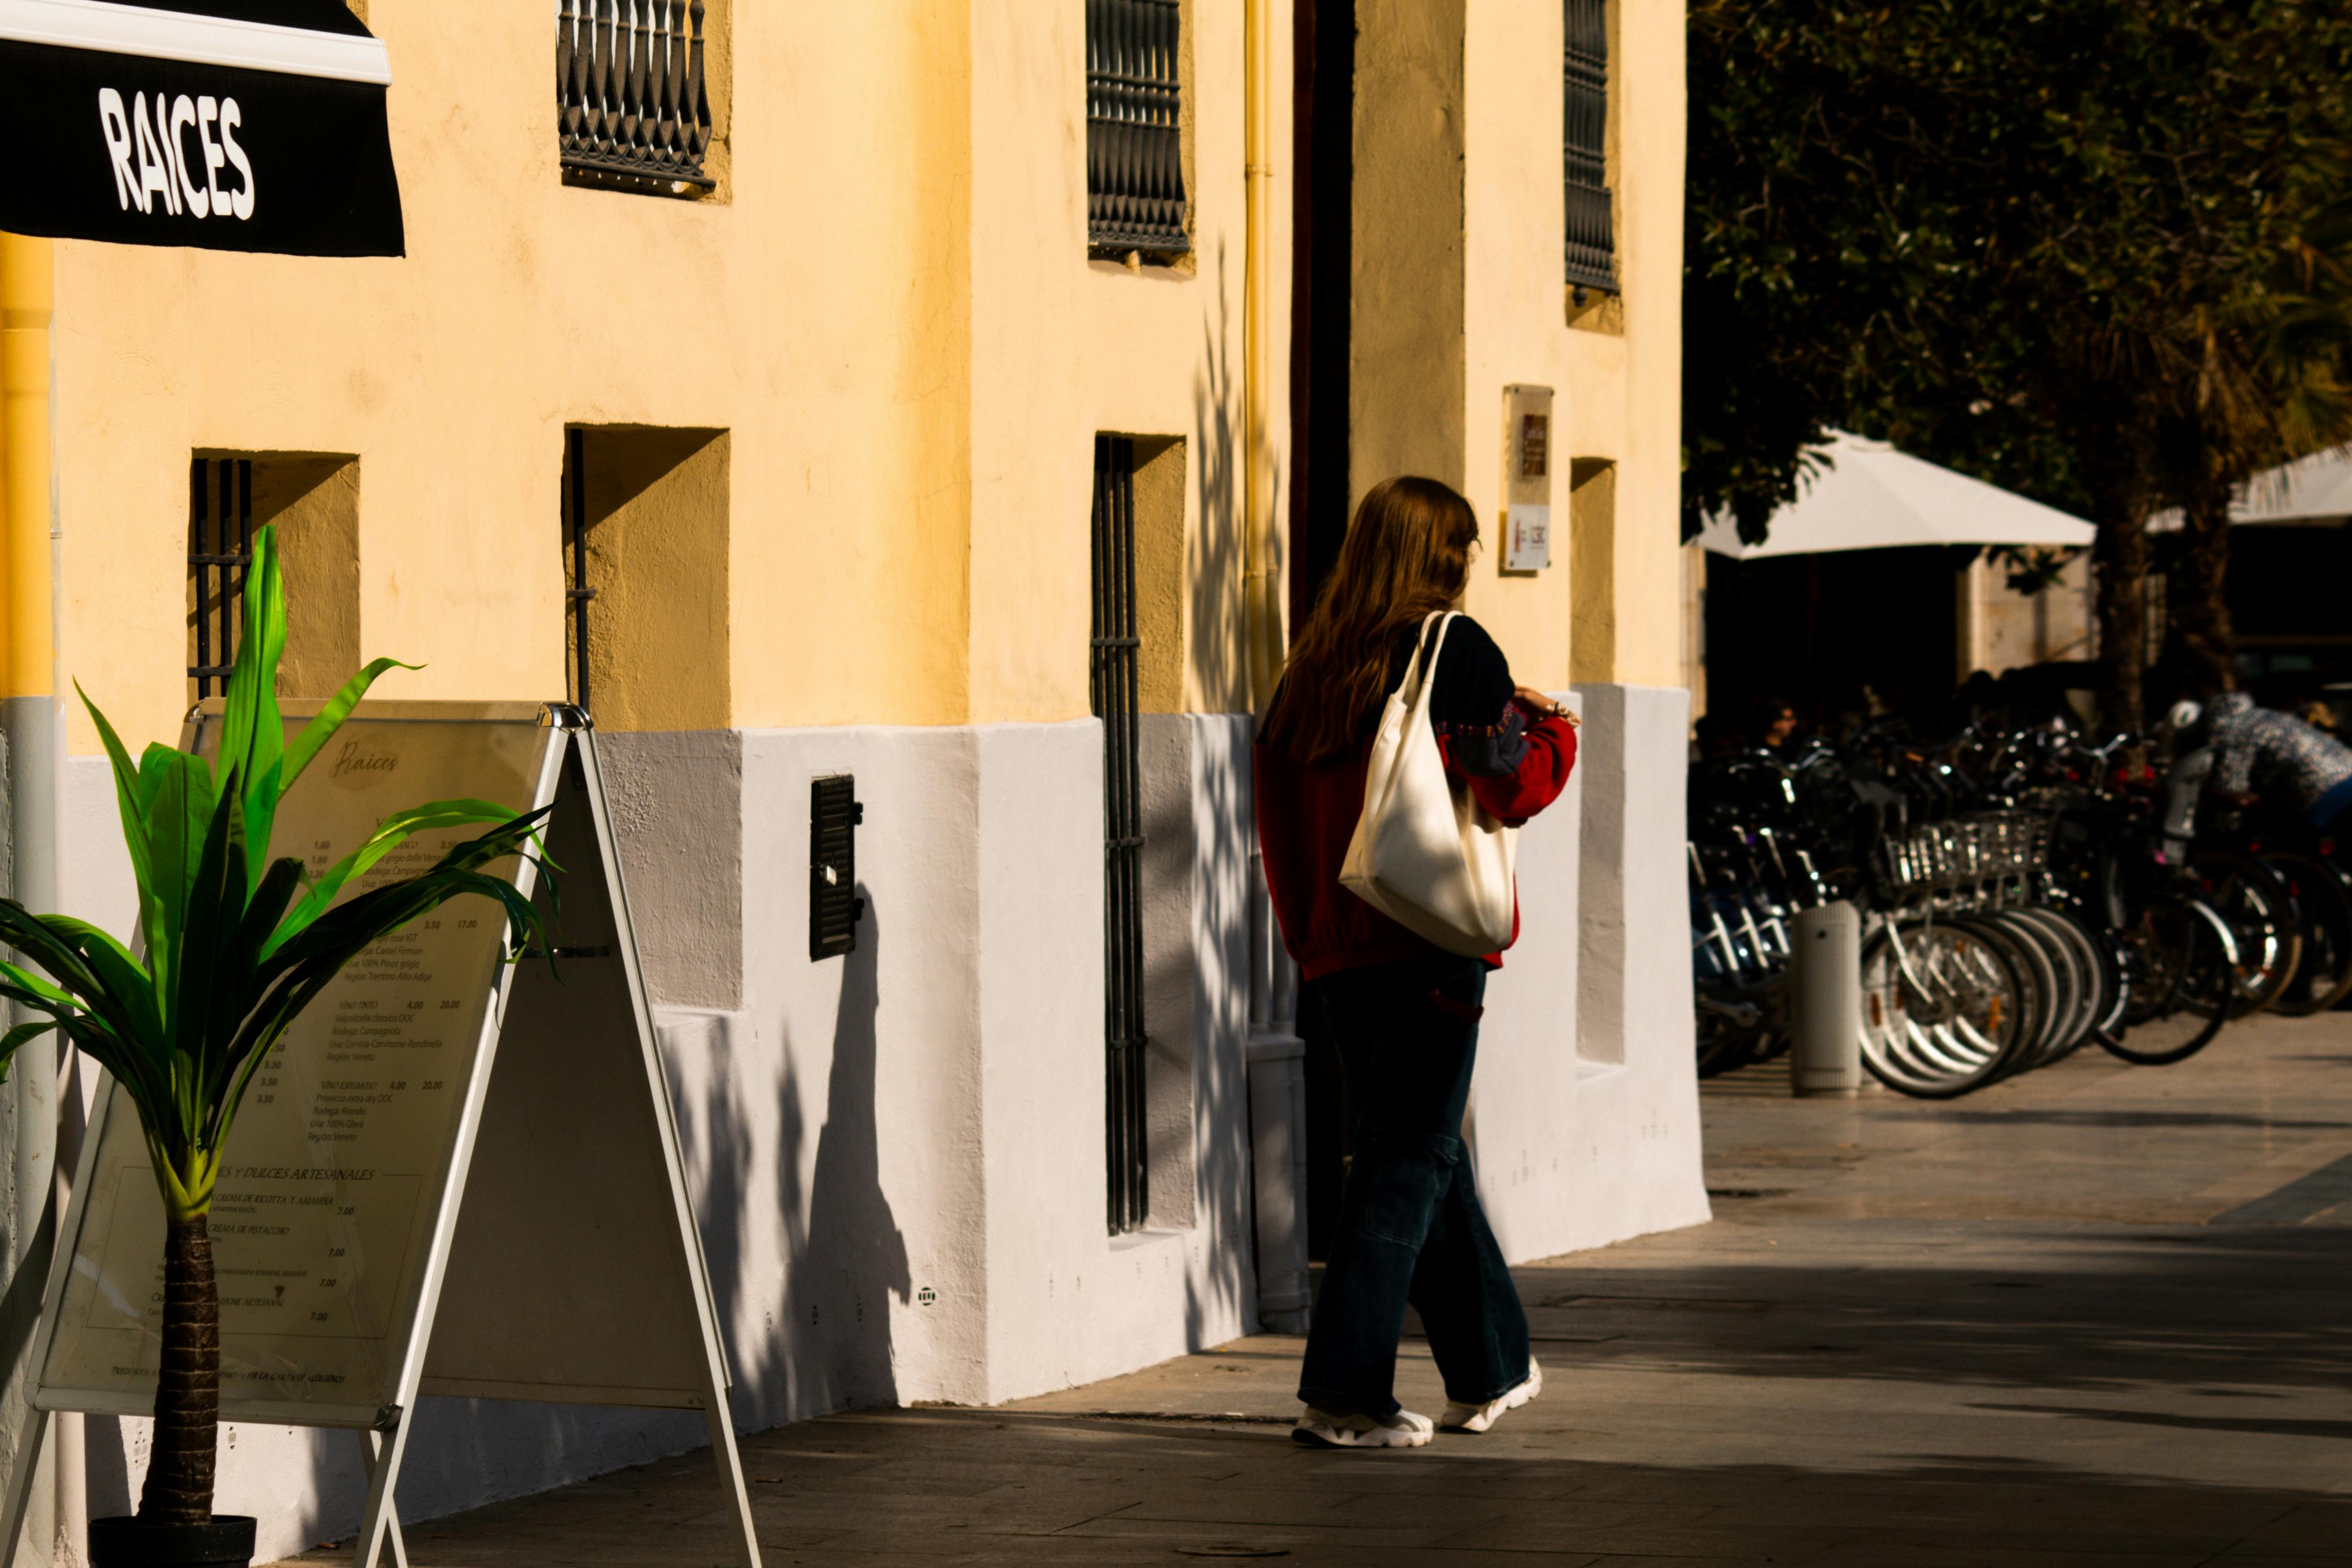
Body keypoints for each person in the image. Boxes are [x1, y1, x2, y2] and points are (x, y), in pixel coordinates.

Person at [1255, 476, 1579, 1449]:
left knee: (1424, 1147)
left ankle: (1491, 1365)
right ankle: (1343, 1394)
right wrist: (1553, 729)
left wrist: (1308, 929)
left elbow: (1276, 800)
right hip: (1426, 935)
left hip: (1337, 940)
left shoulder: (1313, 664)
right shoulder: (1456, 646)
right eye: (1467, 548)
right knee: (1404, 1157)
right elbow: (1509, 785)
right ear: (1447, 556)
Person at [2167, 692, 2352, 831]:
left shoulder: (2230, 733)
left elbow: (2231, 788)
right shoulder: (2259, 714)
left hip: (2320, 793)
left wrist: (2221, 828)